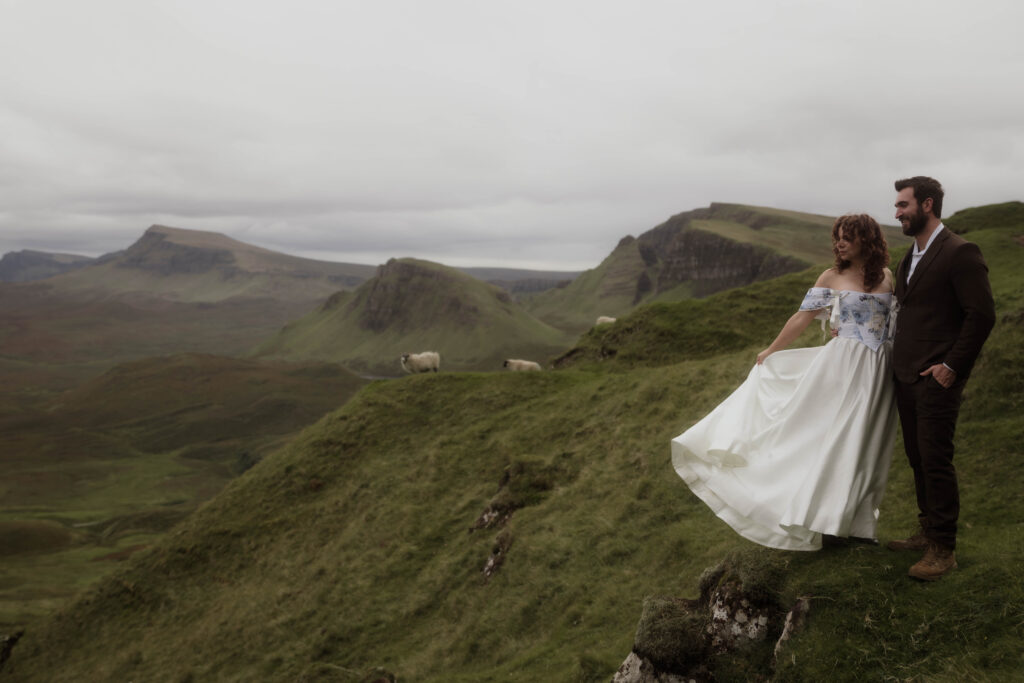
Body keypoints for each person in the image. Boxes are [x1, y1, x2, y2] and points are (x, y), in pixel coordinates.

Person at [671, 214, 897, 551]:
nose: (839, 243)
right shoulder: (831, 276)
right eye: (836, 237)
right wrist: (772, 349)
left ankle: (860, 525)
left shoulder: (888, 277)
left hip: (880, 368)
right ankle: (827, 524)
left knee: (869, 442)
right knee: (839, 440)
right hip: (843, 367)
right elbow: (802, 317)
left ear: (867, 238)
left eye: (847, 237)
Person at [887, 176, 995, 581]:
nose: (896, 212)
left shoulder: (960, 252)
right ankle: (927, 530)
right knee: (917, 458)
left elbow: (981, 315)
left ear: (927, 205)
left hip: (937, 379)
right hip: (906, 376)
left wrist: (951, 368)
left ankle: (943, 550)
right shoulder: (907, 258)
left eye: (902, 205)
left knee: (935, 461)